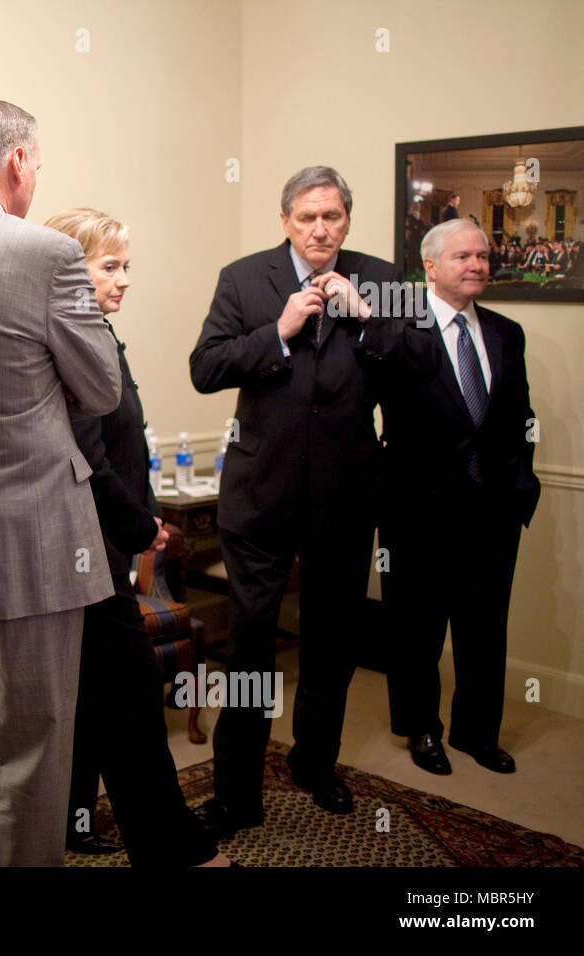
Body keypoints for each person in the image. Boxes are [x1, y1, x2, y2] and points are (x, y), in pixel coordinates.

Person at [188, 166, 440, 833]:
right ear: (285, 221)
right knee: (249, 648)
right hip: (259, 497)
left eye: (331, 216)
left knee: (332, 644)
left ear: (347, 219)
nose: (320, 229)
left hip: (347, 499)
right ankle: (236, 792)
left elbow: (421, 372)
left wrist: (365, 320)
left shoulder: (384, 281)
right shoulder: (245, 278)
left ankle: (315, 764)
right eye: (307, 217)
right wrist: (277, 331)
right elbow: (204, 367)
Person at [0, 101, 121, 867]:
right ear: (16, 162)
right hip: (37, 530)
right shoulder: (45, 254)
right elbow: (101, 388)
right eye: (37, 165)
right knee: (34, 737)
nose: (37, 178)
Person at [46, 208, 228, 867]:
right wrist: (142, 526)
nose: (124, 281)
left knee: (94, 700)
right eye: (109, 267)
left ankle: (72, 822)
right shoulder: (73, 340)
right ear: (70, 270)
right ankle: (178, 853)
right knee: (130, 705)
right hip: (84, 552)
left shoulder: (97, 332)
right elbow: (88, 459)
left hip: (103, 547)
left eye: (127, 267)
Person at [380, 219, 540, 776]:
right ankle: (423, 730)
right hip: (418, 513)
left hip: (493, 510)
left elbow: (520, 416)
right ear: (430, 266)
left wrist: (523, 480)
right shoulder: (397, 329)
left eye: (482, 255)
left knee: (484, 629)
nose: (477, 265)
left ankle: (478, 732)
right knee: (417, 630)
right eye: (464, 256)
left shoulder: (505, 332)